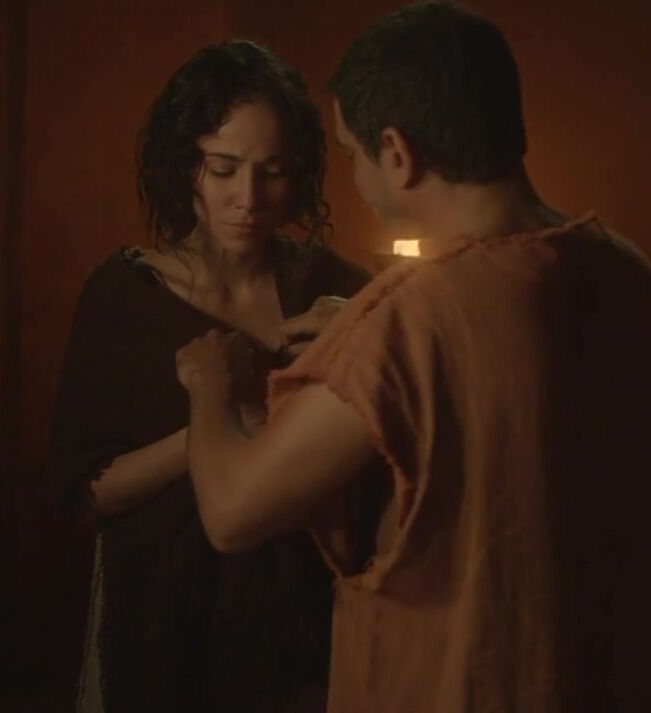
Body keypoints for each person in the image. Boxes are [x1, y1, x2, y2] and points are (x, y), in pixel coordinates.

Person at [176, 3, 651, 712]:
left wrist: (210, 384)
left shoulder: (407, 318)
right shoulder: (621, 265)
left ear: (396, 154)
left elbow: (232, 510)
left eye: (352, 153)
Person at [51, 40, 377, 712]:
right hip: (163, 628)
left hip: (306, 636)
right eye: (223, 168)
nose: (248, 199)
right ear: (185, 166)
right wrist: (221, 425)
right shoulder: (126, 297)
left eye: (272, 172)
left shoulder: (336, 290)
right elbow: (89, 491)